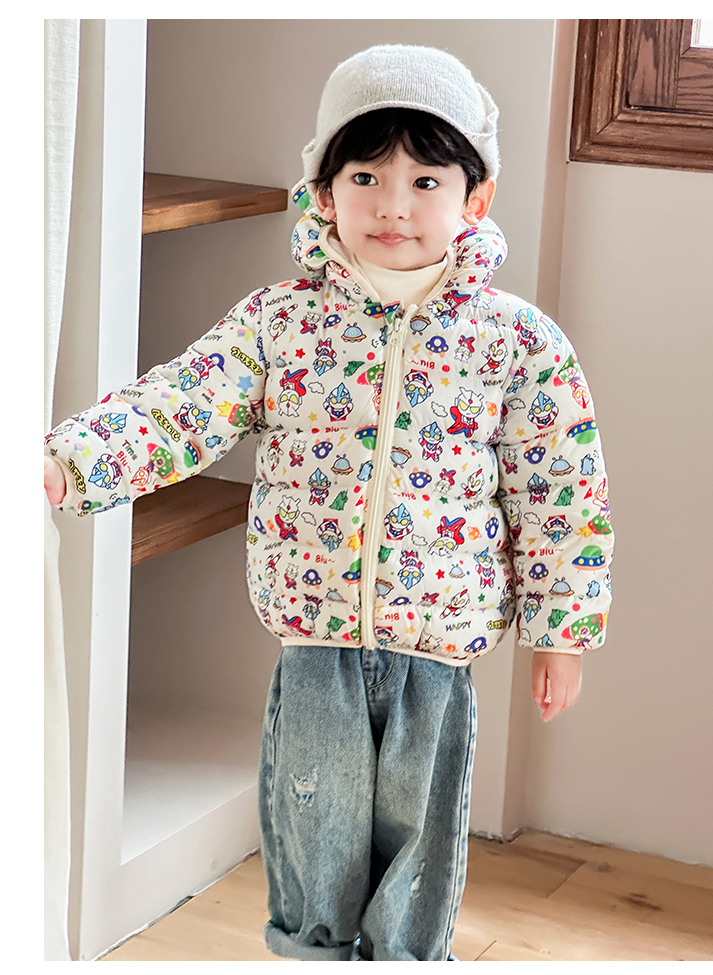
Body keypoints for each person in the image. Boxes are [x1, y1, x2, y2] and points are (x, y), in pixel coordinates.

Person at [44, 44, 614, 961]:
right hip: (315, 643)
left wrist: (562, 632)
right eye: (365, 177)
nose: (393, 205)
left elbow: (563, 496)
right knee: (315, 836)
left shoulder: (518, 343)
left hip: (438, 649)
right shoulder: (282, 323)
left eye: (425, 180)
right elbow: (183, 402)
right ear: (323, 192)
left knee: (420, 848)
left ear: (476, 197)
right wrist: (70, 462)